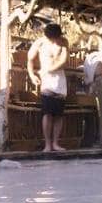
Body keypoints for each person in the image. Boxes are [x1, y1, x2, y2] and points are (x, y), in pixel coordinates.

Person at [27, 23, 70, 152]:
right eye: (52, 38)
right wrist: (31, 75)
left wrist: (47, 70)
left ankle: (55, 143)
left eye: (56, 38)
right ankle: (47, 145)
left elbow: (63, 61)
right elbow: (30, 59)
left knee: (58, 114)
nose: (54, 41)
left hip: (59, 80)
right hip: (46, 83)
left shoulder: (63, 42)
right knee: (47, 113)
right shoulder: (39, 43)